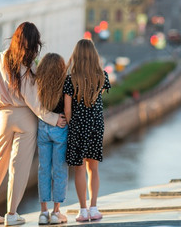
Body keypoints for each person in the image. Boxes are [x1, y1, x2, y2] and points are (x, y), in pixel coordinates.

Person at [0, 22, 67, 226]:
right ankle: (11, 214)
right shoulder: (28, 67)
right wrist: (54, 119)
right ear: (34, 44)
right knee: (19, 167)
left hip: (4, 117)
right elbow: (34, 102)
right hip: (25, 118)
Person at [64, 38, 111, 223]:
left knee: (79, 169)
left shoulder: (70, 80)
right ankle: (94, 208)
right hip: (96, 126)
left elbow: (67, 109)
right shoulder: (102, 76)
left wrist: (71, 125)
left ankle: (82, 211)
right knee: (94, 169)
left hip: (77, 127)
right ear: (93, 56)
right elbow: (99, 98)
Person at [36, 53, 68, 225]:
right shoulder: (65, 83)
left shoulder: (38, 83)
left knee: (43, 170)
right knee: (59, 170)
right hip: (60, 128)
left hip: (42, 127)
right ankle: (56, 212)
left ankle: (43, 212)